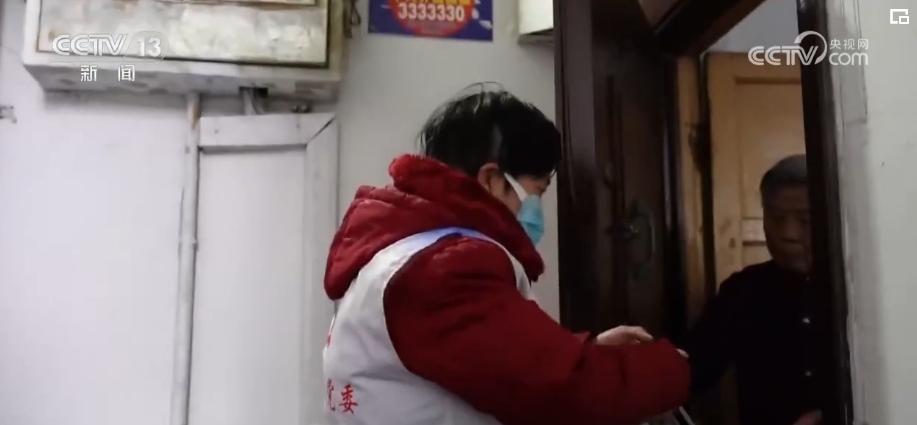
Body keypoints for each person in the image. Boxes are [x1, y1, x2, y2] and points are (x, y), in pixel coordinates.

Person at [321, 84, 690, 425]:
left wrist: (587, 351)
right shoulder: (445, 268)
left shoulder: (405, 251)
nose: (537, 209)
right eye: (537, 191)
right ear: (492, 180)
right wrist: (673, 369)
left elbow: (488, 358)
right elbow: (556, 389)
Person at [684, 154, 828, 425]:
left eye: (805, 221)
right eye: (776, 218)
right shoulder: (743, 290)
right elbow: (693, 368)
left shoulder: (867, 291)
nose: (787, 233)